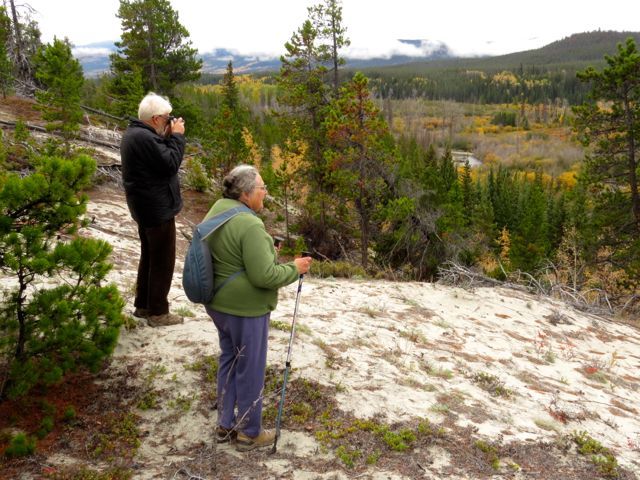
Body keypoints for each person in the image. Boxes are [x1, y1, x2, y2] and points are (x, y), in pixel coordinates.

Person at [205, 165, 312, 451]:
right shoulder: (251, 224)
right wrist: (295, 268)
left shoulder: (218, 208)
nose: (266, 191)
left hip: (217, 303)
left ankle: (225, 424)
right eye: (262, 187)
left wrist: (265, 253)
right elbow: (264, 276)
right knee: (250, 367)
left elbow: (229, 252)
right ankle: (250, 431)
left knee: (229, 359)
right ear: (245, 193)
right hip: (245, 309)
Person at [120, 92, 186, 327]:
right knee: (162, 260)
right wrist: (177, 137)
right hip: (157, 208)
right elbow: (170, 164)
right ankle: (158, 312)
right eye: (167, 118)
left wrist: (169, 137)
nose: (170, 122)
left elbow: (160, 160)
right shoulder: (145, 138)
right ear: (157, 119)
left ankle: (144, 305)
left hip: (146, 206)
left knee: (149, 256)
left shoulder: (136, 135)